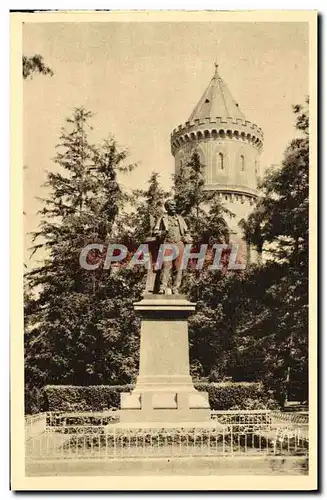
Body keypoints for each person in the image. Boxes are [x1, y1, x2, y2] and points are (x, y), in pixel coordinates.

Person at [152, 199, 192, 294]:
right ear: (166, 207)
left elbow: (187, 232)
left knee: (178, 267)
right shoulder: (162, 218)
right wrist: (162, 233)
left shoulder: (180, 218)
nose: (174, 207)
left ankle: (176, 288)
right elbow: (155, 232)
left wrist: (186, 238)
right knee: (166, 266)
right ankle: (162, 287)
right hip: (168, 244)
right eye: (171, 205)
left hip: (179, 244)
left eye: (174, 205)